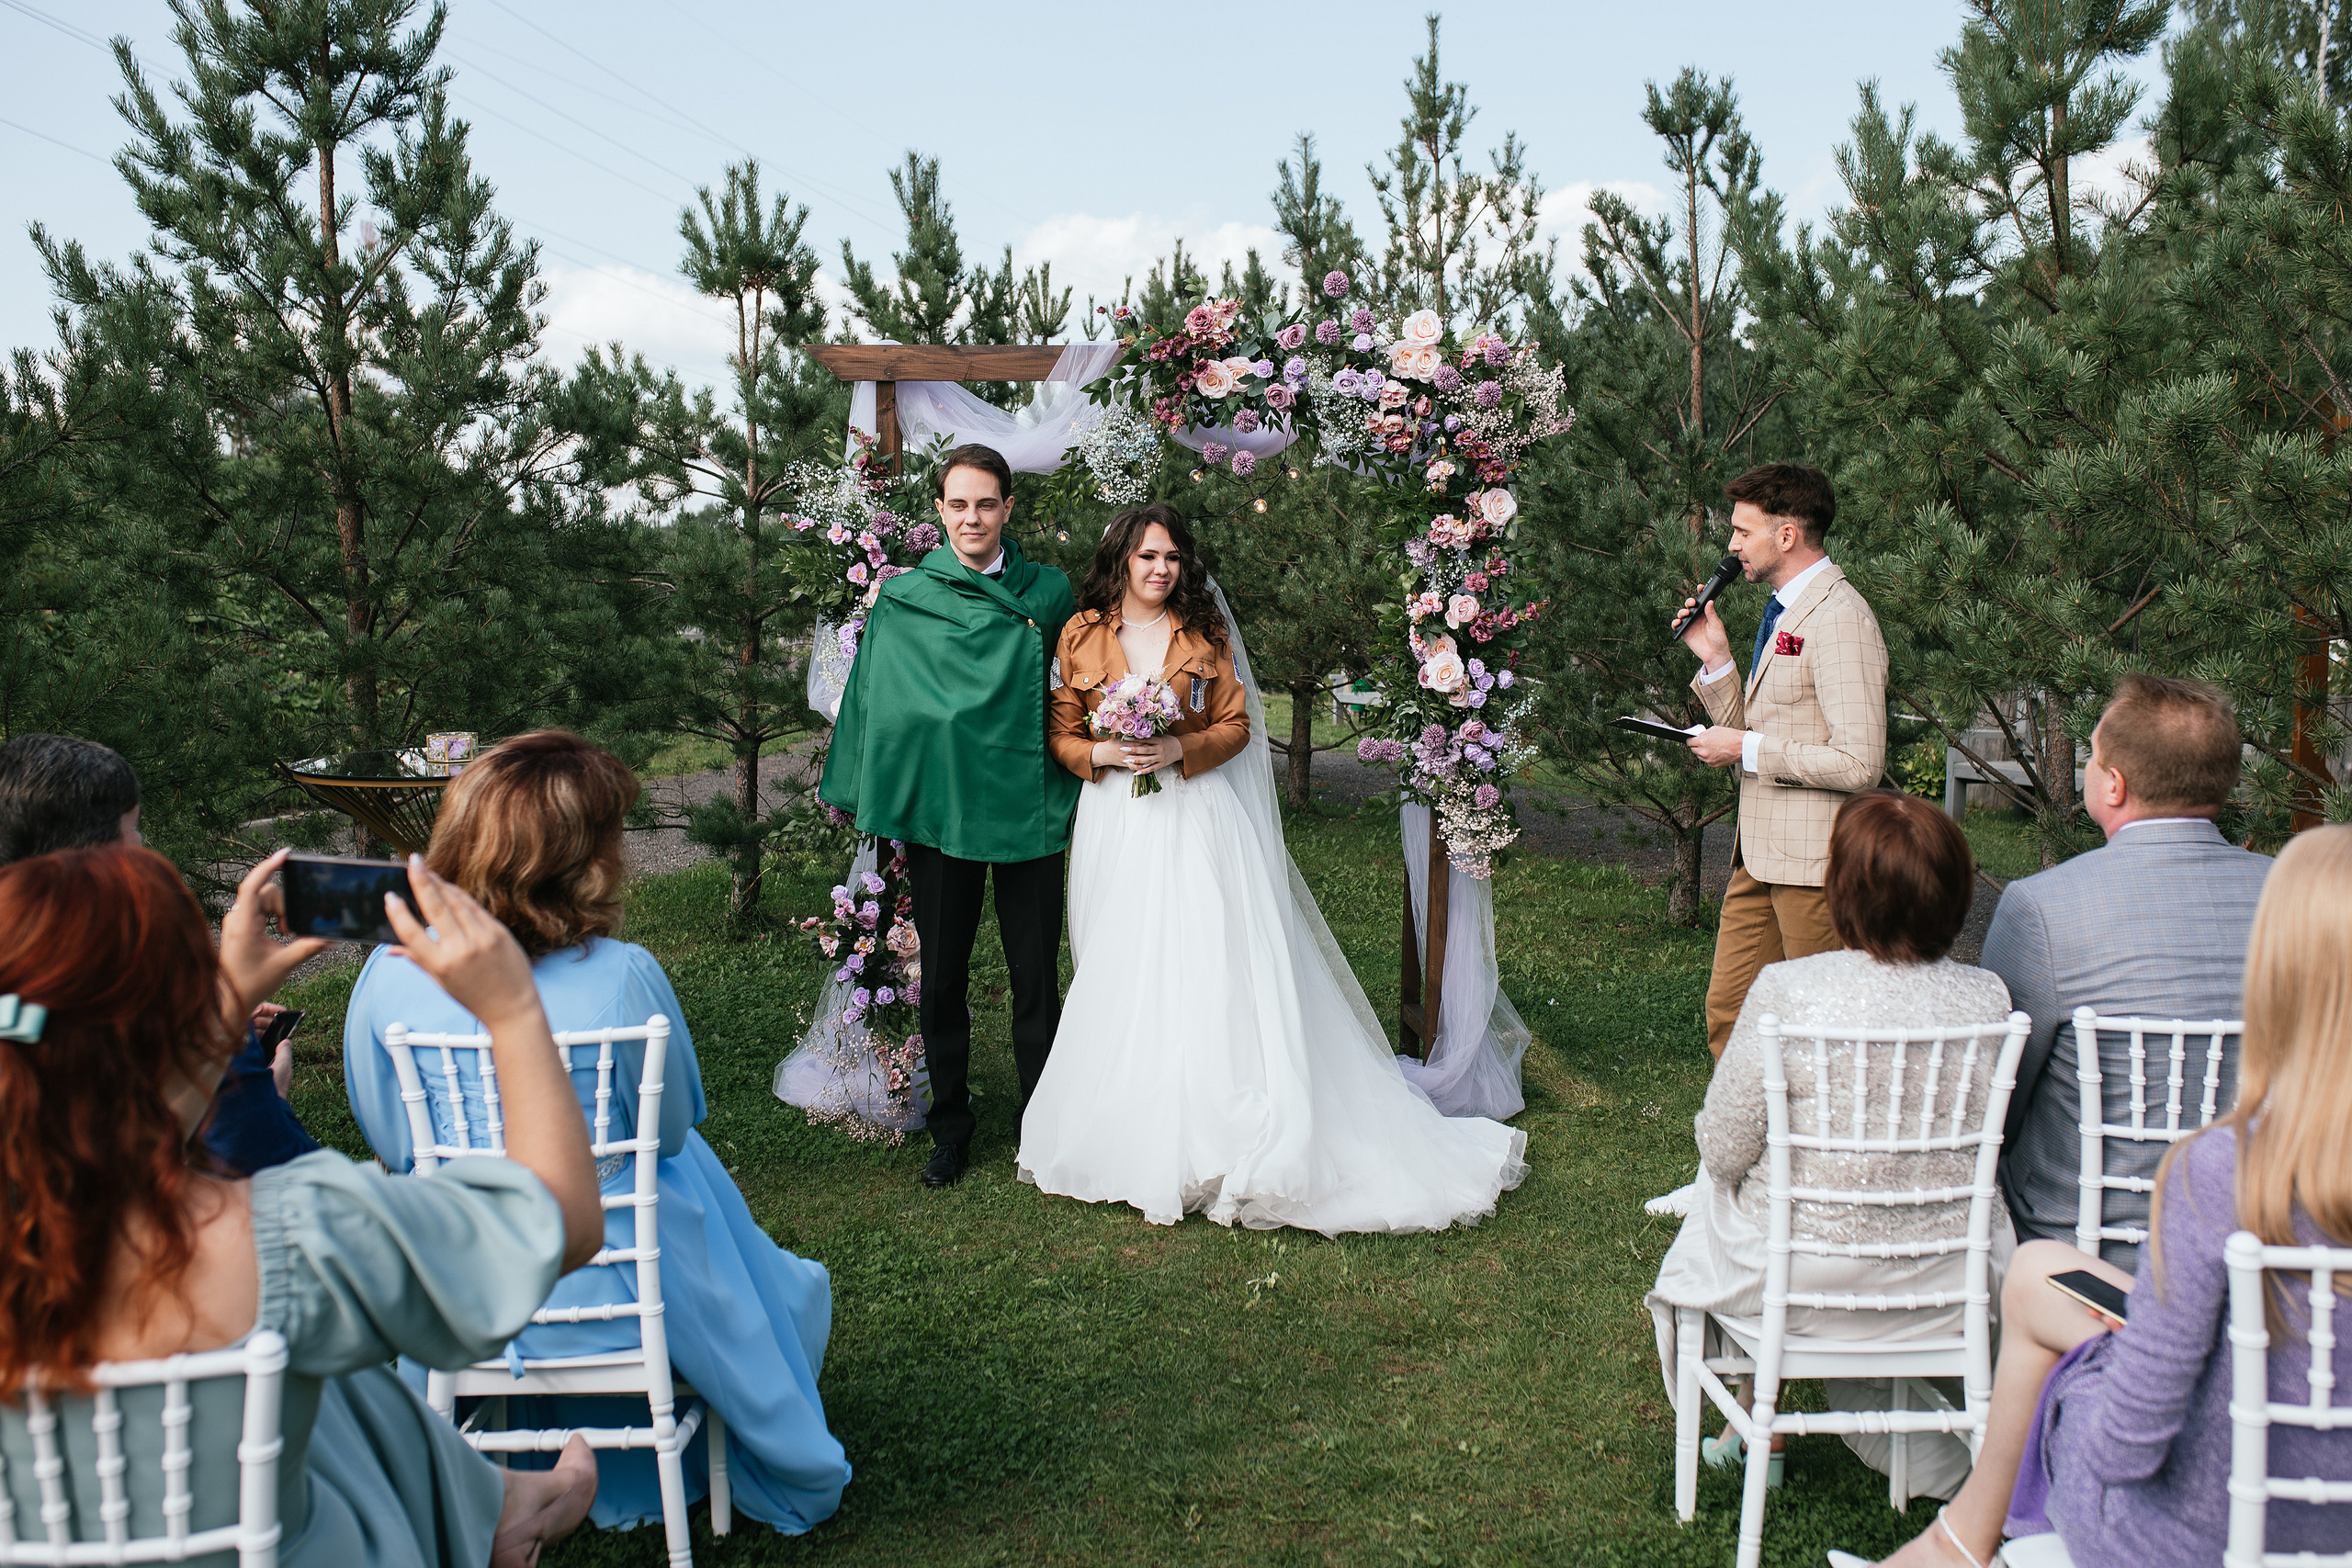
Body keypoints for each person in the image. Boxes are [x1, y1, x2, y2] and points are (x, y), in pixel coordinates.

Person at [0, 843, 603, 1568]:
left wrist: (215, 1009)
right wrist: (511, 1009)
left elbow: (121, 1123)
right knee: (325, 1357)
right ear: (179, 1024)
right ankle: (493, 1506)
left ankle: (499, 1500)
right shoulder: (289, 1236)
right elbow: (561, 1224)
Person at [342, 731, 850, 1535]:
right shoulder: (620, 973)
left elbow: (394, 1141)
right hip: (619, 1280)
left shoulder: (388, 973)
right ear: (581, 861)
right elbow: (675, 1126)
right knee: (679, 1172)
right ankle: (735, 1379)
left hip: (458, 1275)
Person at [1844, 826, 2352, 1568]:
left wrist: (2071, 1390)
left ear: (2277, 970)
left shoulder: (2223, 1171)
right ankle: (1952, 1547)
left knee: (2069, 1370)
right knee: (2039, 1271)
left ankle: (1968, 1546)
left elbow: (2128, 1441)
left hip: (2207, 1528)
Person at [1016, 505, 1527, 1235]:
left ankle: (1222, 1127)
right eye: (1146, 556)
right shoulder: (1081, 633)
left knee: (1206, 961)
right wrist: (1100, 754)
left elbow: (1235, 725)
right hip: (1117, 819)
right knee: (1122, 960)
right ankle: (1130, 1118)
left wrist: (1175, 751)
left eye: (1171, 558)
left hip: (1195, 816)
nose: (1160, 569)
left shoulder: (1205, 634)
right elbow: (1062, 730)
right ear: (1122, 560)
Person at [1648, 792, 2013, 1500]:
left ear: (1839, 886)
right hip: (1948, 1271)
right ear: (1958, 891)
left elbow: (1724, 1150)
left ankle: (1758, 1419)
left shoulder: (1787, 988)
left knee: (1722, 1179)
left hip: (1807, 1273)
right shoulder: (1989, 996)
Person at [818, 442, 1081, 1188]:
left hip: (1029, 804)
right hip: (943, 812)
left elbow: (1079, 684)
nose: (973, 517)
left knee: (1037, 974)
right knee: (943, 979)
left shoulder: (1048, 594)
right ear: (939, 512)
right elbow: (880, 704)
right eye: (958, 504)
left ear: (1006, 509)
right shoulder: (907, 598)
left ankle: (1045, 1118)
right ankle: (950, 1129)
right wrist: (875, 787)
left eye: (986, 503)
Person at [1984, 674, 2271, 1262]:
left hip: (2082, 1241)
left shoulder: (2041, 907)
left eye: (2091, 755)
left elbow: (1998, 1107)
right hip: (2261, 1234)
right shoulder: (2300, 897)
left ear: (2113, 785)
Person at [0, 732, 321, 1175]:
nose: (144, 844)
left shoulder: (21, 1007)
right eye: (134, 829)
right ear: (99, 862)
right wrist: (238, 1048)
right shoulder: (161, 1002)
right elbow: (274, 1164)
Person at [1675, 464, 1890, 1058]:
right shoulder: (1783, 612)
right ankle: (1754, 1147)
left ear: (1788, 535)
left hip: (1816, 864)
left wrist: (1744, 749)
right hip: (1759, 855)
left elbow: (1859, 762)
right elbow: (1760, 730)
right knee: (1730, 1015)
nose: (1732, 545)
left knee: (1824, 1030)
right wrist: (1717, 662)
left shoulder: (1840, 618)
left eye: (1744, 532)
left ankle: (1825, 1147)